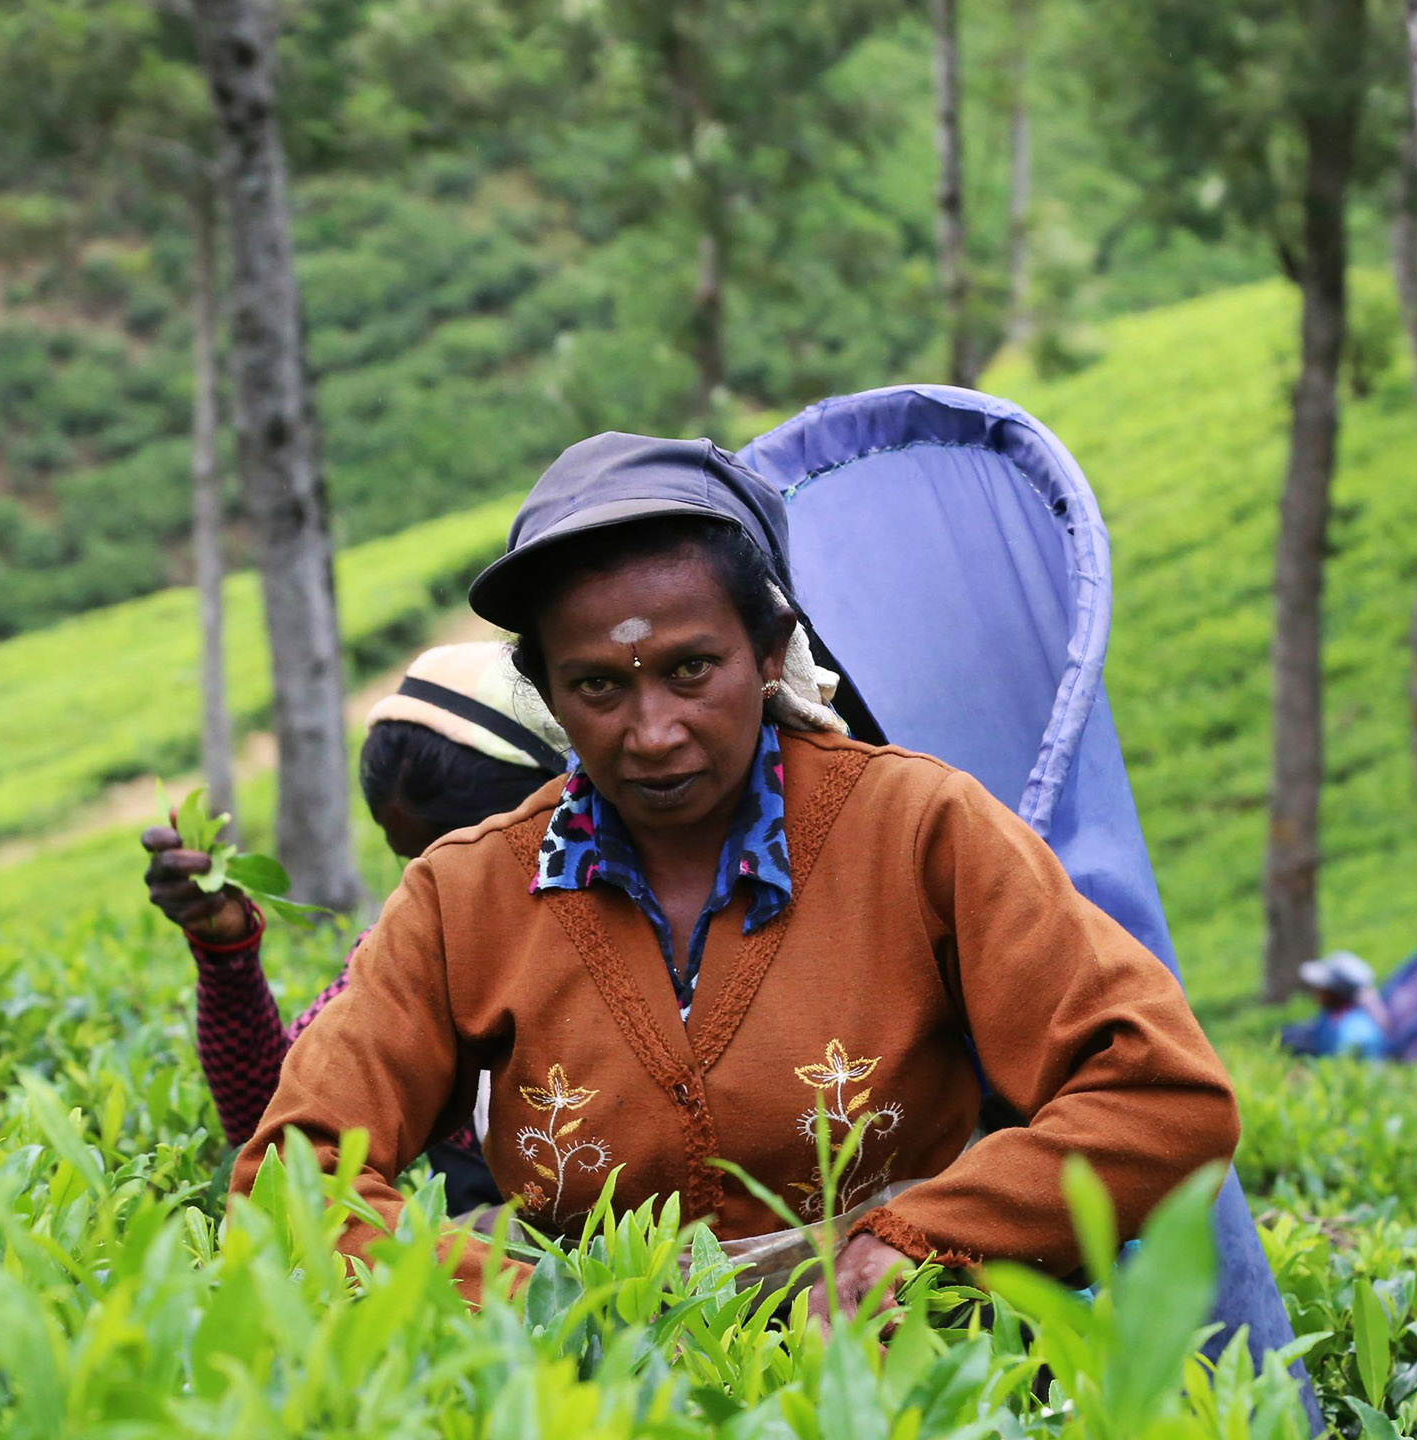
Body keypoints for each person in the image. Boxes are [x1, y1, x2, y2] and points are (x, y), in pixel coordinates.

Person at [233, 432, 1242, 1318]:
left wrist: (919, 1241)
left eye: (691, 669)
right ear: (545, 692)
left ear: (768, 649)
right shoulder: (465, 898)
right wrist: (535, 1314)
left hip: (901, 1375)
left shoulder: (920, 830)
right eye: (596, 687)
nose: (652, 730)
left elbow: (1159, 1097)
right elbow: (295, 1176)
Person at [141, 641, 568, 1211]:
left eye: (466, 853)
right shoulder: (421, 944)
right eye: (411, 862)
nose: (434, 889)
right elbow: (277, 1128)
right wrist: (228, 958)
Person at [1283, 950, 1389, 1061]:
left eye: (1321, 987)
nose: (1316, 991)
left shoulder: (1356, 1035)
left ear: (1334, 992)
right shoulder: (1334, 1014)